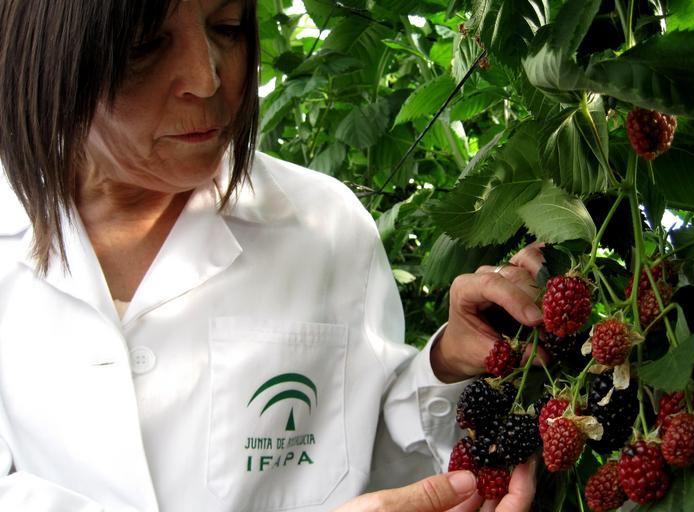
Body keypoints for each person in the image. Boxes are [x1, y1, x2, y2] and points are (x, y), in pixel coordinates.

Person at [0, 1, 544, 510]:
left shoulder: (324, 228)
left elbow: (359, 448)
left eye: (227, 28)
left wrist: (447, 365)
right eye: (144, 45)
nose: (207, 78)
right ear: (47, 55)